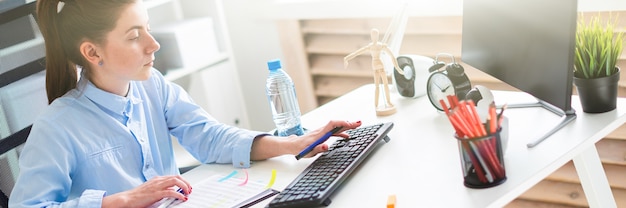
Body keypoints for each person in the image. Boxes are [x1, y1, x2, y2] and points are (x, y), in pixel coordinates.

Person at [8, 0, 362, 207]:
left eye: (147, 28)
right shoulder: (57, 127)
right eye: (134, 36)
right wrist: (122, 200)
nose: (152, 44)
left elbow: (207, 135)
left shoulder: (153, 88)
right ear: (92, 52)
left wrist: (292, 144)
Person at [344, 28, 404, 116]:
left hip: (380, 65)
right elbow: (357, 53)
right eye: (373, 35)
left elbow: (392, 56)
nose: (374, 37)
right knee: (377, 86)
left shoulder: (381, 46)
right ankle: (376, 105)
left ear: (378, 36)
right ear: (371, 36)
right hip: (375, 66)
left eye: (376, 35)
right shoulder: (370, 46)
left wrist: (397, 68)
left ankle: (388, 101)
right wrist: (347, 58)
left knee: (385, 84)